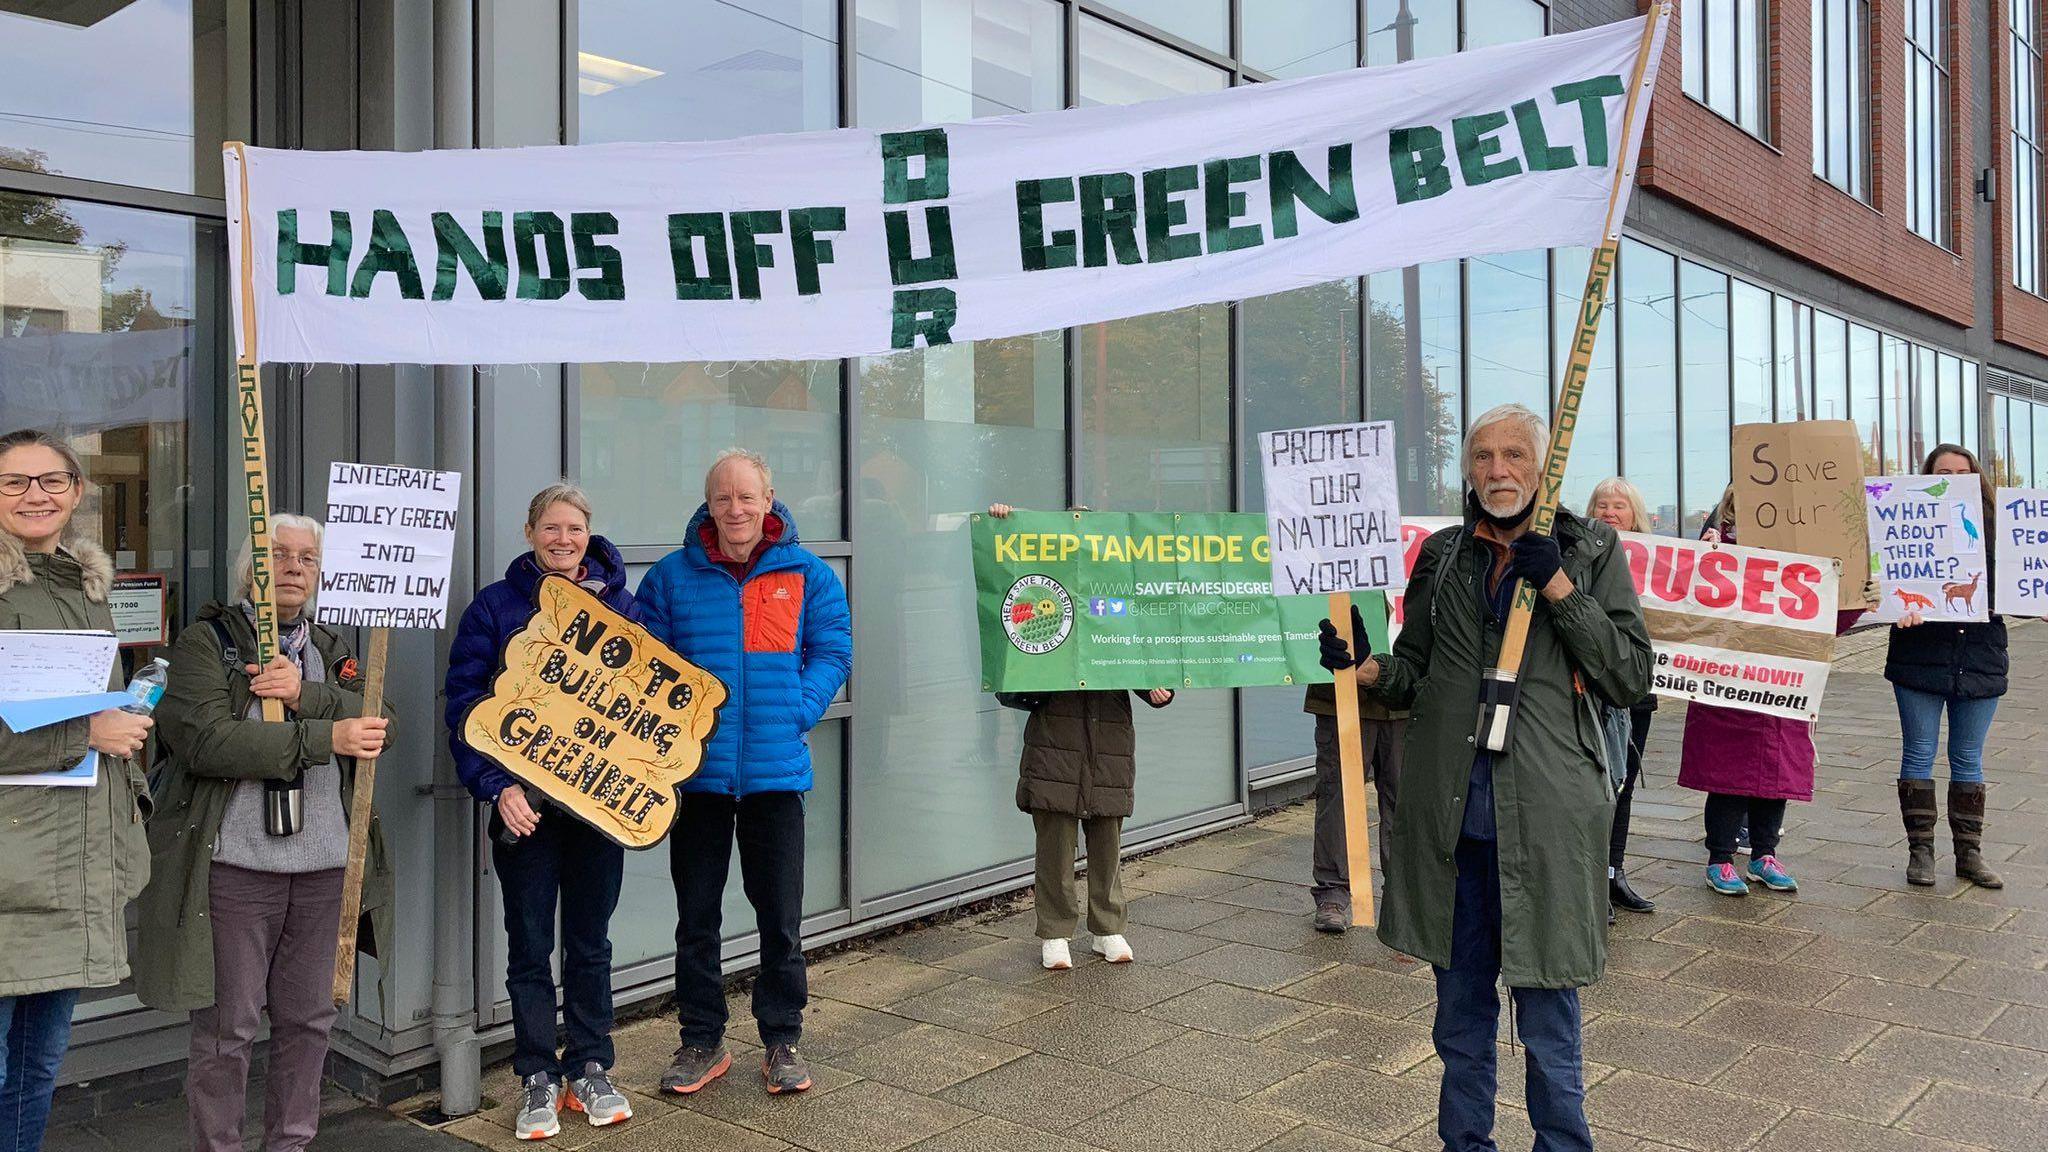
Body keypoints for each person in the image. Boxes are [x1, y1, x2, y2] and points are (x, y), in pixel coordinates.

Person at [1319, 404, 1651, 1152]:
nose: (1498, 471)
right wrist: (1364, 667)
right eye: (1482, 457)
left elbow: (1630, 675)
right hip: (1452, 826)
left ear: (1545, 465)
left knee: (1548, 1019)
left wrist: (1561, 590)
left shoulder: (1591, 548)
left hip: (1544, 823)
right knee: (1459, 1020)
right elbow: (1419, 675)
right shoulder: (1442, 555)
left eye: (1513, 456)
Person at [137, 515, 393, 1152]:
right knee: (227, 1031)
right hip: (235, 868)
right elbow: (205, 741)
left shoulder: (332, 650)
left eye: (307, 557)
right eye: (278, 554)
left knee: (309, 1023)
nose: (295, 567)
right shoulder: (204, 643)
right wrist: (323, 736)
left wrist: (306, 695)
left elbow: (379, 720)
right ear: (251, 567)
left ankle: (291, 1144)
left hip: (325, 865)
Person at [642, 450, 851, 1098]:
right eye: (723, 498)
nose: (735, 509)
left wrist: (799, 706)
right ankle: (700, 1040)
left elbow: (832, 649)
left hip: (775, 776)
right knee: (696, 916)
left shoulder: (807, 575)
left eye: (746, 497)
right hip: (697, 779)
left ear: (769, 500)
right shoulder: (673, 578)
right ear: (709, 505)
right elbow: (647, 663)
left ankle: (782, 1038)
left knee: (779, 916)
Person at [445, 484, 635, 1140]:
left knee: (590, 942)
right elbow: (466, 703)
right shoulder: (496, 609)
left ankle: (590, 1063)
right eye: (551, 527)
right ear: (530, 532)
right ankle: (537, 1074)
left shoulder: (622, 610)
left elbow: (645, 713)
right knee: (529, 943)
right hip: (523, 807)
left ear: (588, 535)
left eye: (574, 528)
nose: (563, 539)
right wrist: (498, 785)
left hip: (597, 811)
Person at [0, 429, 153, 1152]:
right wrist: (87, 735)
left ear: (76, 491)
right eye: (15, 482)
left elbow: (89, 704)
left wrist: (123, 729)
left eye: (52, 481)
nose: (36, 495)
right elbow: (78, 725)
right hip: (9, 865)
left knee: (35, 1070)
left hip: (74, 859)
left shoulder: (87, 587)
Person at [985, 503, 1174, 969]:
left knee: (1107, 835)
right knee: (1055, 838)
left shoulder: (1121, 605)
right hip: (1056, 738)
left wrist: (1156, 686)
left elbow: (1147, 660)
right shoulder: (1039, 600)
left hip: (1108, 740)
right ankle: (1055, 931)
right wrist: (1003, 524)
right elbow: (1011, 676)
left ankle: (1108, 927)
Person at [1681, 487, 1864, 896]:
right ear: (1730, 507)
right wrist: (1702, 558)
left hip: (1782, 685)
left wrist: (1857, 601)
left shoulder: (1803, 558)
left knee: (1775, 773)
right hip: (1728, 684)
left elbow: (1824, 622)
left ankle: (1765, 854)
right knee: (1726, 774)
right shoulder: (1714, 552)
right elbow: (1688, 609)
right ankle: (1721, 858)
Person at [1888, 445, 2006, 890]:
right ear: (1928, 475)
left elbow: (2016, 588)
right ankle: (1921, 853)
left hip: (1980, 659)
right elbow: (1886, 581)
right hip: (1920, 654)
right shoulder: (1905, 523)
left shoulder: (2000, 527)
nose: (1955, 476)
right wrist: (1898, 605)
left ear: (1975, 475)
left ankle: (1969, 855)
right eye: (1944, 471)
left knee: (1968, 758)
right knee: (1918, 752)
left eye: (1963, 470)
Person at [1585, 478, 1659, 918]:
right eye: (1602, 504)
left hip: (1637, 690)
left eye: (1620, 506)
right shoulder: (1583, 551)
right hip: (1595, 687)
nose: (1610, 512)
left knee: (1625, 783)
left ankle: (1615, 873)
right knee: (1597, 784)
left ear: (1635, 515)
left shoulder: (1661, 560)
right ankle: (1591, 878)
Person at [1302, 659, 1403, 935]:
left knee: (1405, 801)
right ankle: (1332, 893)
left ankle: (1402, 895)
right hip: (1340, 696)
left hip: (1406, 697)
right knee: (1338, 797)